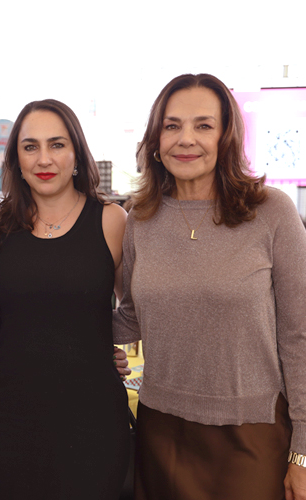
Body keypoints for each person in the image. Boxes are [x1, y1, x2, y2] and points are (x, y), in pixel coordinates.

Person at [113, 73, 306, 500]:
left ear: (227, 136)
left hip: (251, 434)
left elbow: (299, 339)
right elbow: (130, 318)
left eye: (203, 125)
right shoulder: (141, 219)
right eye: (172, 125)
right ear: (156, 140)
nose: (186, 139)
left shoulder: (272, 213)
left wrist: (303, 453)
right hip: (162, 430)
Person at [0, 99, 130, 499]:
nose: (43, 158)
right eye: (30, 147)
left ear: (77, 154)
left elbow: (137, 307)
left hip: (93, 423)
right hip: (17, 426)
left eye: (57, 144)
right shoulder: (0, 228)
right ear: (16, 159)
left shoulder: (111, 221)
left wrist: (102, 342)